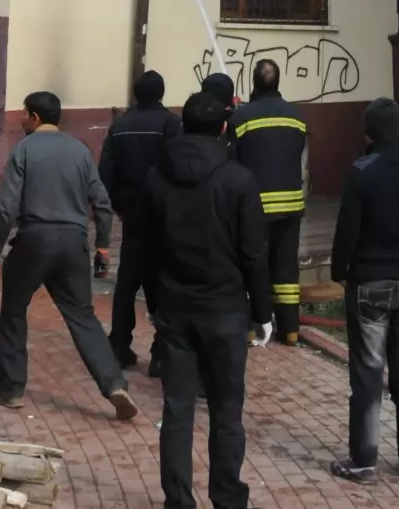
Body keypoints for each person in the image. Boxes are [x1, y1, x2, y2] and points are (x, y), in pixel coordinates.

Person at [140, 90, 270, 509]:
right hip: (226, 310)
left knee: (177, 411)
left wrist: (156, 301)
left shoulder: (157, 177)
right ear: (223, 128)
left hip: (175, 307)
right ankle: (228, 498)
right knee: (227, 412)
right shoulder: (239, 180)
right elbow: (254, 253)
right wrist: (264, 313)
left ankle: (178, 501)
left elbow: (145, 247)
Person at [0, 89, 139, 421]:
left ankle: (10, 391)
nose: (22, 119)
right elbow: (102, 204)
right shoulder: (79, 152)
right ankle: (113, 384)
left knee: (12, 313)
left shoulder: (24, 149)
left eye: (24, 114)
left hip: (34, 242)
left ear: (35, 118)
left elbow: (6, 207)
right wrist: (101, 247)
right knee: (83, 317)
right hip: (73, 245)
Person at [328, 97, 399, 484]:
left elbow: (347, 231)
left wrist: (340, 271)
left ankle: (364, 461)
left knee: (368, 372)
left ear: (367, 131)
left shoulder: (361, 173)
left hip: (368, 283)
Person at [98, 69, 180, 375]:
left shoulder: (120, 126)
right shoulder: (172, 124)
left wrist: (120, 206)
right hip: (163, 218)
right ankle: (161, 353)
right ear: (161, 93)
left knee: (127, 285)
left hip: (132, 215)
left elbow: (105, 174)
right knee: (162, 284)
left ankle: (119, 346)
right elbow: (177, 167)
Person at [228, 59, 306, 342]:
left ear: (254, 82)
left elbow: (232, 160)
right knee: (285, 267)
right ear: (278, 81)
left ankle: (251, 328)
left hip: (255, 206)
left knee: (252, 264)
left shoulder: (241, 119)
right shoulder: (296, 116)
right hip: (290, 206)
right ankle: (291, 330)